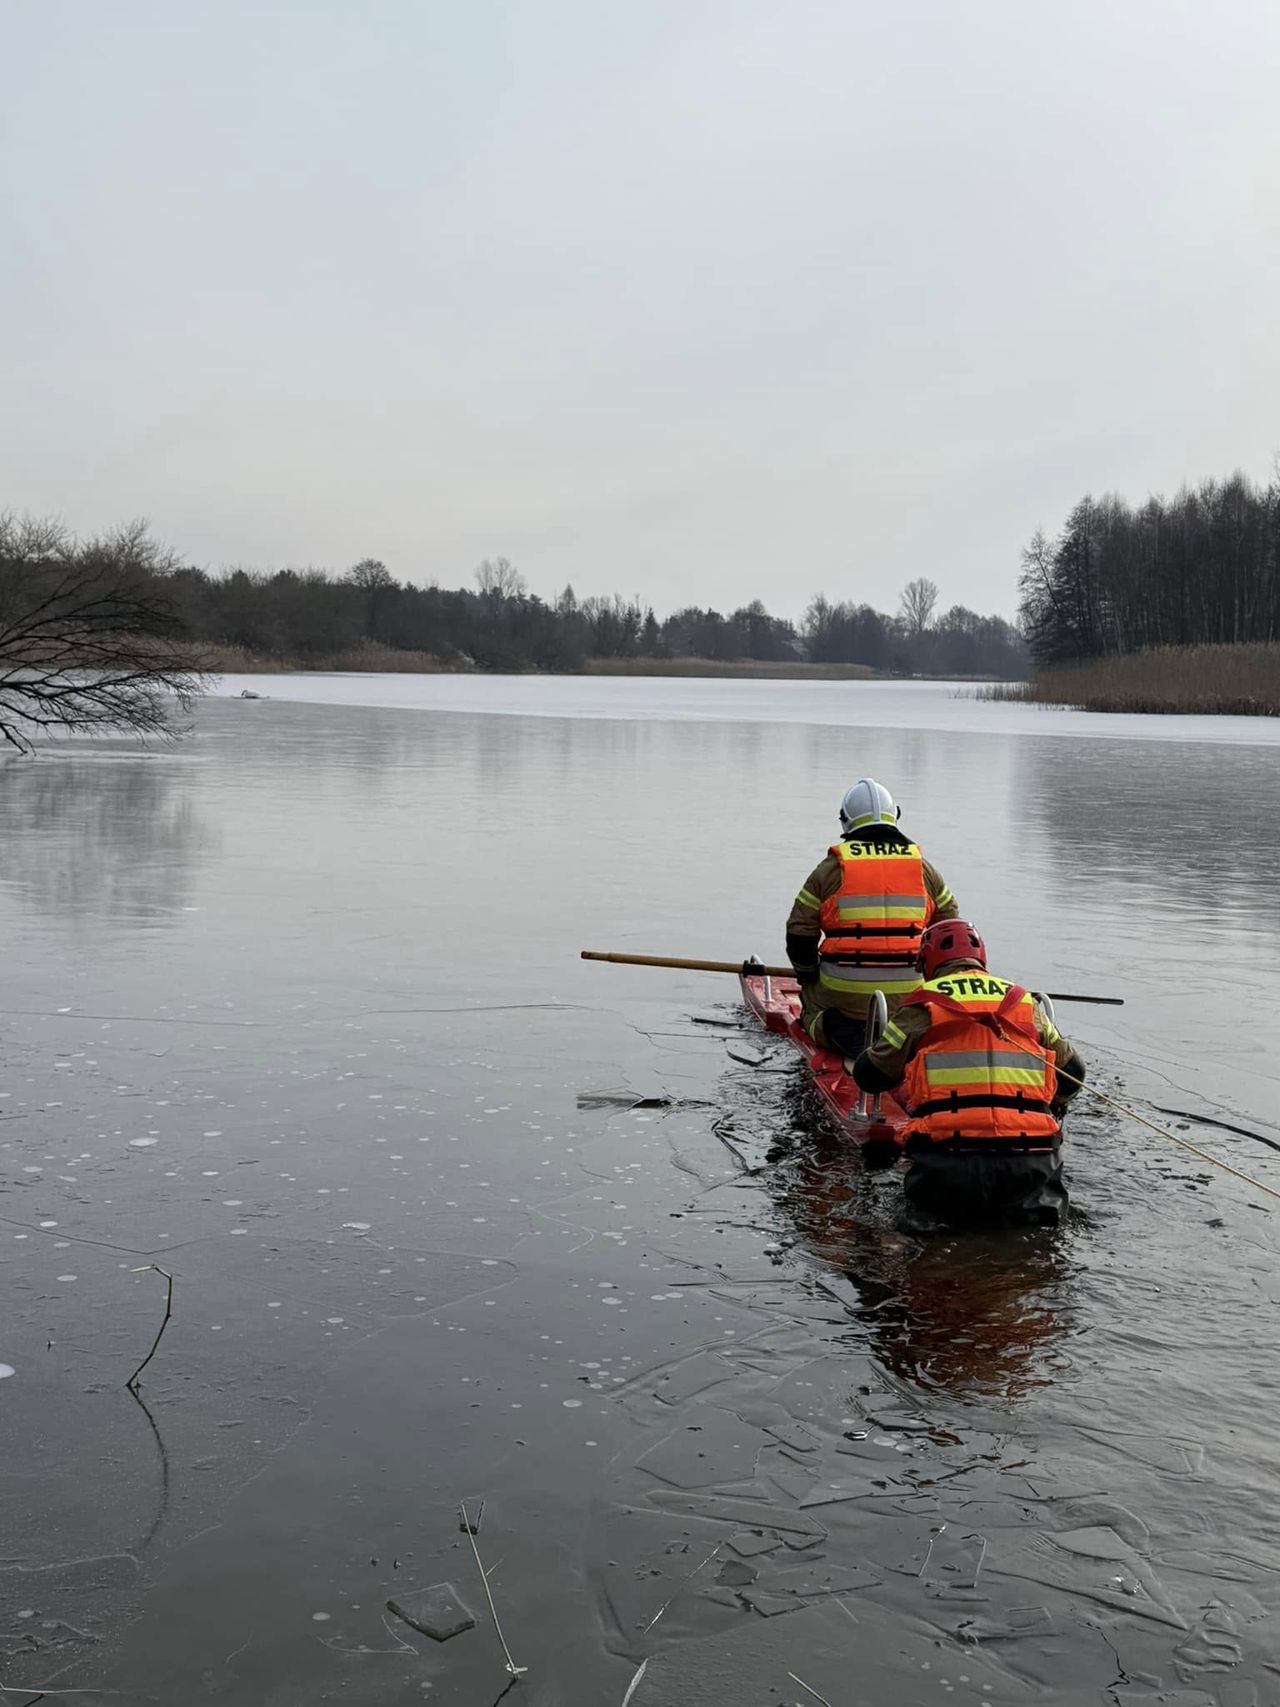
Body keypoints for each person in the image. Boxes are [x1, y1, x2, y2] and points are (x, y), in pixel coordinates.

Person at [852, 919, 1087, 1232]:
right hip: (1030, 1162)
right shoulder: (1023, 1002)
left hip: (948, 1163)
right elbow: (1073, 1074)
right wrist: (1055, 1105)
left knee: (926, 1237)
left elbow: (872, 1075)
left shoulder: (923, 1003)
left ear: (927, 963)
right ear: (981, 959)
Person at [786, 777, 958, 1058]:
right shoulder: (924, 868)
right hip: (909, 1001)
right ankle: (904, 1036)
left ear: (845, 821)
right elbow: (950, 932)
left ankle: (832, 1030)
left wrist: (807, 975)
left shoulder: (830, 869)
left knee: (810, 1003)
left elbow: (799, 933)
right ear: (896, 815)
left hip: (843, 999)